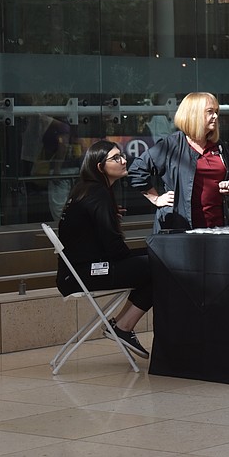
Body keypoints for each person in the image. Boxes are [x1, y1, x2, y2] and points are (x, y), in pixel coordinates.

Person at [56, 141, 152, 358]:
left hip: (77, 270)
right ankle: (123, 327)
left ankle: (120, 325)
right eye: (116, 158)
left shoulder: (87, 190)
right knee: (158, 266)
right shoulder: (97, 193)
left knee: (153, 258)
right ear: (100, 167)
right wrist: (136, 260)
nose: (124, 160)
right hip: (83, 273)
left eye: (122, 156)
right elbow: (114, 249)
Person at [129, 92, 229, 233]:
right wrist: (156, 198)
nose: (216, 117)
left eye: (216, 112)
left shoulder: (219, 146)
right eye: (210, 112)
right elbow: (136, 170)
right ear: (194, 114)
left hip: (217, 228)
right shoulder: (172, 145)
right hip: (182, 229)